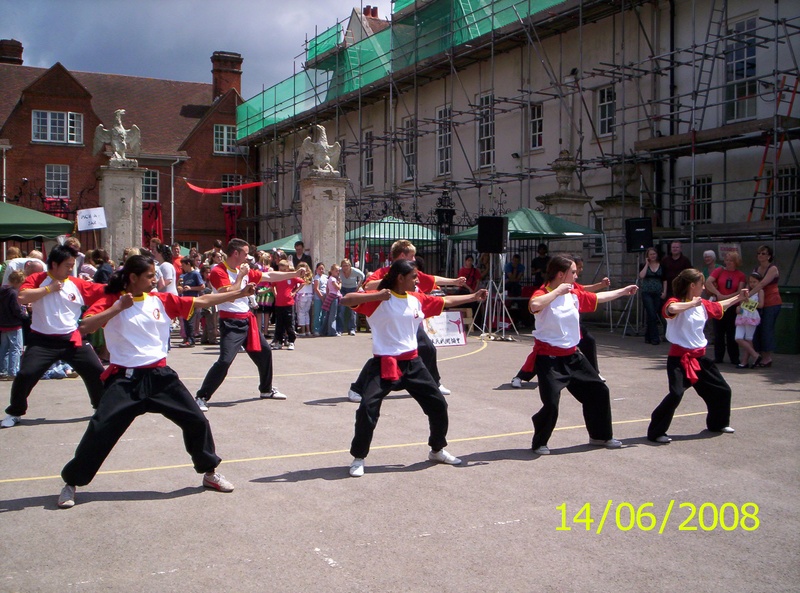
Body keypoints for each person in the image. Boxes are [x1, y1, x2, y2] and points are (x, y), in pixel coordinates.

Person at [54, 255, 253, 508]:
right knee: (100, 429)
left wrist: (236, 293)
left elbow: (202, 300)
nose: (155, 280)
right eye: (149, 276)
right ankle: (71, 482)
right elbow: (84, 327)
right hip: (125, 380)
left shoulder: (161, 300)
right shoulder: (111, 301)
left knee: (196, 420)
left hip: (161, 378)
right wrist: (118, 308)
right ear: (133, 278)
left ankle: (209, 472)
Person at [342, 259, 488, 477]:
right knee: (367, 409)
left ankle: (437, 449)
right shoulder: (380, 300)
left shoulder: (416, 298)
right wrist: (378, 295)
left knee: (439, 405)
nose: (418, 280)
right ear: (400, 278)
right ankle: (358, 458)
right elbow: (346, 300)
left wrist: (473, 297)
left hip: (413, 363)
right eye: (414, 277)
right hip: (385, 363)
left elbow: (445, 301)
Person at [508, 255, 638, 454]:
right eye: (574, 272)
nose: (577, 276)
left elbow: (597, 298)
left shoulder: (574, 293)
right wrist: (558, 291)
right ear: (561, 274)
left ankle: (600, 436)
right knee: (551, 404)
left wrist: (623, 292)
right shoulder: (543, 292)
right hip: (549, 359)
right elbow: (534, 305)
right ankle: (540, 442)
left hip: (573, 356)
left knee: (599, 392)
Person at [1, 244, 107, 429]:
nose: (70, 268)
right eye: (67, 265)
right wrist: (49, 289)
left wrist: (121, 286)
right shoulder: (37, 278)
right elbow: (22, 297)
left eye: (72, 264)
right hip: (42, 341)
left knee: (96, 371)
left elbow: (101, 290)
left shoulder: (76, 283)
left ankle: (101, 408)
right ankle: (15, 412)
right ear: (55, 265)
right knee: (26, 374)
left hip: (72, 339)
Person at [349, 239, 468, 402]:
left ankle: (434, 383)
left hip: (407, 318)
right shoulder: (384, 272)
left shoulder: (412, 273)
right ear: (403, 255)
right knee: (380, 360)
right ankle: (357, 388)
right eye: (412, 256)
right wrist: (391, 280)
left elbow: (431, 279)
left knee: (427, 348)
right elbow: (368, 287)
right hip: (389, 319)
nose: (414, 260)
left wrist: (453, 281)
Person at [194, 238, 303, 412]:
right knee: (224, 361)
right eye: (245, 253)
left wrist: (293, 274)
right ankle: (201, 396)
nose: (248, 256)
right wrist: (241, 277)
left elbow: (268, 275)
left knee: (266, 353)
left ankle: (266, 390)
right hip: (230, 322)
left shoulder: (241, 269)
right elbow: (228, 295)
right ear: (235, 253)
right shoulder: (218, 271)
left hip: (247, 319)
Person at [646, 268, 748, 443]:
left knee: (722, 391)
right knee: (676, 394)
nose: (703, 288)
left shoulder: (702, 305)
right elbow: (671, 308)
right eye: (701, 285)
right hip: (679, 360)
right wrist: (691, 304)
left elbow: (719, 306)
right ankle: (656, 432)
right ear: (693, 285)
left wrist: (738, 297)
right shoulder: (675, 302)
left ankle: (718, 423)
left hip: (700, 359)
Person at [571, 254, 611, 376]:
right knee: (546, 352)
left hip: (575, 324)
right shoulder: (560, 284)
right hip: (564, 325)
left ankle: (594, 372)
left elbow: (584, 290)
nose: (580, 270)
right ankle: (521, 375)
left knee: (588, 342)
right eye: (579, 267)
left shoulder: (574, 283)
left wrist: (601, 285)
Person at [705, 251, 746, 365]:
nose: (728, 262)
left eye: (731, 260)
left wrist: (726, 297)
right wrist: (718, 294)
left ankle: (734, 357)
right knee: (718, 332)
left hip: (732, 305)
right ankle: (718, 357)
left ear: (736, 262)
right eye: (726, 260)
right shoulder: (719, 270)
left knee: (731, 332)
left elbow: (739, 291)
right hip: (719, 305)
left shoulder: (740, 275)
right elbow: (708, 282)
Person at [748, 245, 781, 368]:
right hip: (757, 302)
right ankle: (760, 355)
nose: (760, 255)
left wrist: (748, 295)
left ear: (769, 256)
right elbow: (752, 282)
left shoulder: (773, 269)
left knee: (767, 329)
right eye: (759, 253)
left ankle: (767, 358)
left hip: (771, 302)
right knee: (757, 328)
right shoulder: (756, 268)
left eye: (763, 253)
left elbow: (762, 283)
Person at [271, 259, 304, 350]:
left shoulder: (291, 276)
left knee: (289, 324)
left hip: (289, 303)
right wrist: (275, 294)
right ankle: (279, 342)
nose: (282, 272)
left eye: (284, 269)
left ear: (287, 269)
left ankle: (291, 341)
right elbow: (272, 285)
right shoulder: (277, 277)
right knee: (279, 324)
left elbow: (302, 282)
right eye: (281, 269)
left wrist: (294, 292)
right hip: (279, 303)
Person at [0, 271, 27, 381]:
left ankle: (2, 370)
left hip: (3, 324)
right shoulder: (13, 293)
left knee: (4, 348)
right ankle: (13, 371)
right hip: (14, 324)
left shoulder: (2, 291)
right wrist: (24, 315)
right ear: (17, 282)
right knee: (15, 348)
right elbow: (16, 310)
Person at [735, 272, 764, 369]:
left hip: (751, 315)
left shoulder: (760, 291)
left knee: (748, 338)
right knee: (738, 337)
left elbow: (761, 304)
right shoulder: (745, 291)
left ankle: (744, 361)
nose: (752, 284)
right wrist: (738, 308)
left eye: (754, 282)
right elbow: (739, 302)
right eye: (751, 282)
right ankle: (755, 355)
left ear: (759, 282)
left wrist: (750, 302)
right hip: (742, 315)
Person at [638, 247, 667, 345]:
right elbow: (641, 276)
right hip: (647, 292)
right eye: (651, 254)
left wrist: (664, 292)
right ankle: (655, 338)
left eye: (654, 254)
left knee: (653, 315)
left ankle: (648, 336)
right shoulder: (643, 265)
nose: (653, 256)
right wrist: (647, 264)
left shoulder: (662, 265)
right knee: (651, 314)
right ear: (647, 256)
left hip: (657, 293)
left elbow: (664, 280)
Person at [177, 257, 204, 347]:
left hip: (193, 299)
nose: (182, 267)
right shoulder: (185, 275)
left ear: (189, 264)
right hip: (185, 299)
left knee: (190, 320)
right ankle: (187, 338)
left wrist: (191, 288)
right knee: (186, 320)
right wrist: (180, 288)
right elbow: (181, 286)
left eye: (184, 265)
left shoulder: (195, 274)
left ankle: (191, 339)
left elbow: (202, 286)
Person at [338, 259, 364, 335]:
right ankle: (340, 329)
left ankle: (352, 328)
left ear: (350, 266)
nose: (345, 267)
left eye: (347, 265)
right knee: (341, 310)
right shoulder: (340, 271)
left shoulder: (354, 271)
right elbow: (332, 273)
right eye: (343, 266)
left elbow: (362, 276)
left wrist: (358, 286)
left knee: (352, 310)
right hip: (343, 289)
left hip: (352, 289)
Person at [322, 263, 343, 337]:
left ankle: (325, 331)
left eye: (338, 271)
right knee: (333, 315)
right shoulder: (333, 279)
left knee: (329, 315)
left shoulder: (330, 278)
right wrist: (340, 283)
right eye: (336, 271)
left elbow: (327, 289)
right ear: (332, 271)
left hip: (331, 296)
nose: (338, 272)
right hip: (334, 297)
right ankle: (332, 331)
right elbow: (338, 288)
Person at [294, 262, 314, 336]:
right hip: (309, 296)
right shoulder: (311, 277)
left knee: (301, 313)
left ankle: (302, 331)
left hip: (301, 296)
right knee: (306, 313)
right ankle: (308, 330)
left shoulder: (299, 277)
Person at [311, 262, 328, 336]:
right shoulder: (316, 277)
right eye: (319, 269)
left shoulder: (326, 277)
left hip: (325, 297)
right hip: (318, 298)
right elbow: (316, 288)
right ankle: (316, 329)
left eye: (322, 269)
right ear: (316, 270)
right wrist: (321, 297)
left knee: (324, 314)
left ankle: (322, 329)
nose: (321, 270)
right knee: (317, 314)